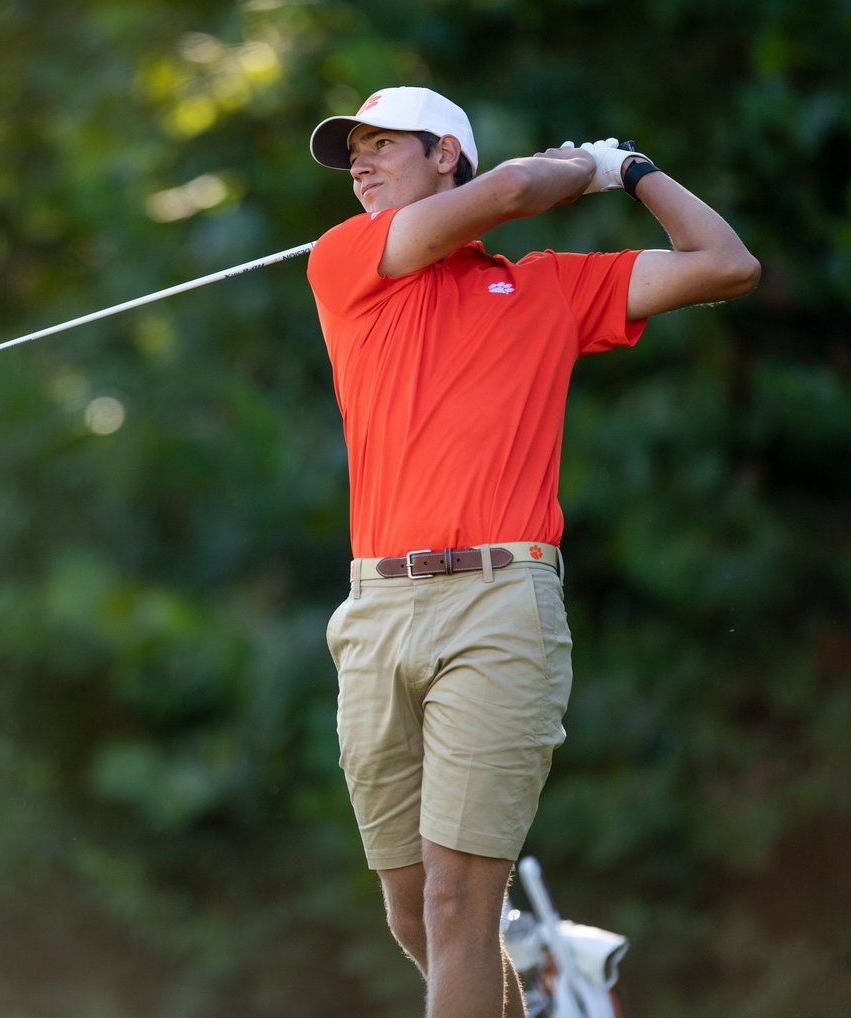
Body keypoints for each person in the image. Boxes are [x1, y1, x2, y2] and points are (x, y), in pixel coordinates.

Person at [305, 86, 759, 1018]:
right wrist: (582, 166)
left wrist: (633, 172)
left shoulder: (547, 287)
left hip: (500, 604)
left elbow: (726, 263)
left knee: (457, 904)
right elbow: (513, 189)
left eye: (382, 143)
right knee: (412, 913)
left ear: (445, 155)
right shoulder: (345, 260)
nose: (360, 163)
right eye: (353, 152)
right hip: (375, 612)